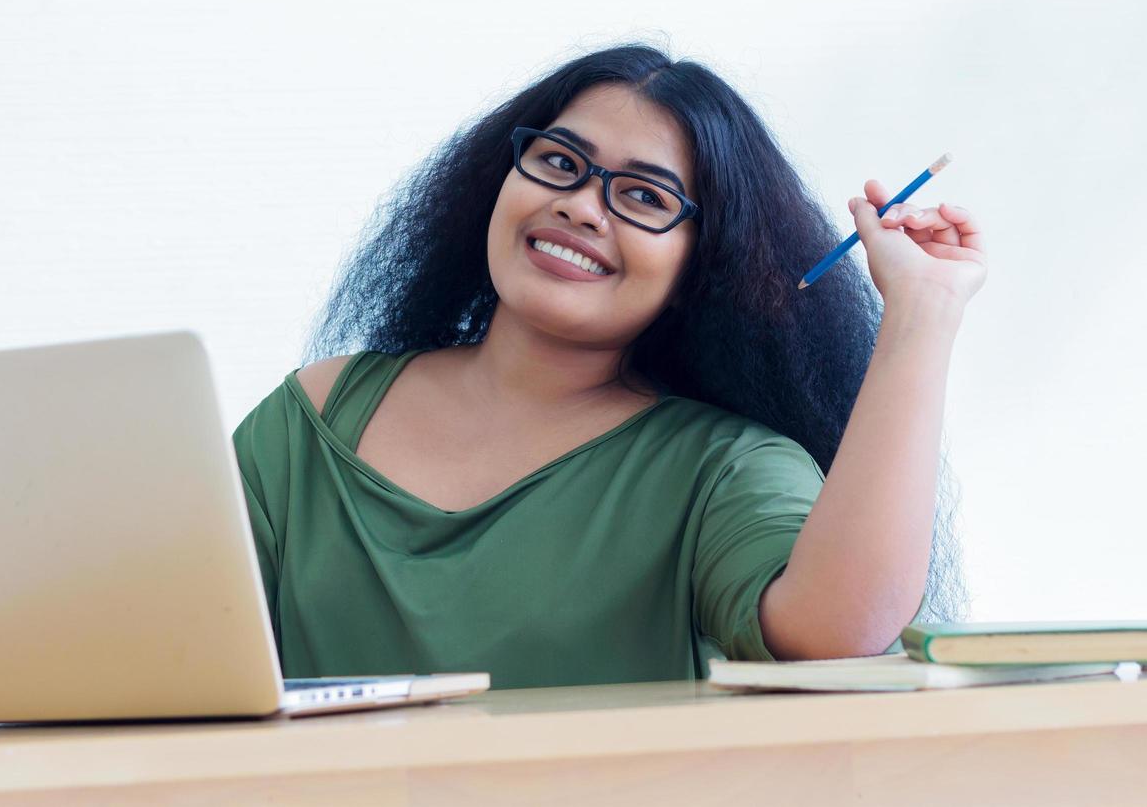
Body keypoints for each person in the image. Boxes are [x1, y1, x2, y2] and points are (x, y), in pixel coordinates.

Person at [232, 42, 986, 689]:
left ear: (700, 267)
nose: (583, 207)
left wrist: (922, 313)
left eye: (644, 196)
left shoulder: (724, 468)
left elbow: (836, 638)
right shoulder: (314, 416)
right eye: (560, 162)